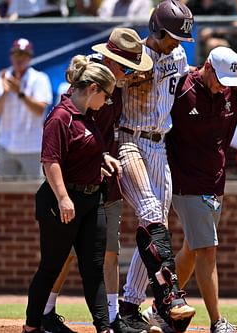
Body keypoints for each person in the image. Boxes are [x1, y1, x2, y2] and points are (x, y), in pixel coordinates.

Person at [41, 28, 154, 333]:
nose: (130, 73)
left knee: (110, 249)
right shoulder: (86, 82)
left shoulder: (120, 84)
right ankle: (45, 312)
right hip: (79, 175)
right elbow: (63, 136)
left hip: (106, 171)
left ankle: (114, 317)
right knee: (65, 252)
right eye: (127, 67)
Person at [162, 46, 237, 333]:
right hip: (186, 182)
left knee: (192, 251)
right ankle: (217, 322)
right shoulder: (181, 88)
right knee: (207, 250)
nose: (222, 87)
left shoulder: (230, 90)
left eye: (227, 82)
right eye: (219, 79)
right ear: (206, 67)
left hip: (215, 181)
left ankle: (161, 307)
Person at [22, 58, 120, 333]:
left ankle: (104, 327)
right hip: (63, 201)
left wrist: (103, 158)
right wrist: (64, 198)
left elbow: (85, 148)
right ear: (92, 88)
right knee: (51, 266)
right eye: (106, 95)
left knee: (93, 268)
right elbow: (50, 161)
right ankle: (31, 327)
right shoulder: (60, 117)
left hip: (92, 199)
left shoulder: (87, 115)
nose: (108, 101)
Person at [117, 1, 196, 332]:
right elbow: (104, 74)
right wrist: (128, 76)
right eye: (172, 36)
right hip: (130, 139)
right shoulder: (132, 54)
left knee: (157, 226)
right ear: (156, 30)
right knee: (150, 213)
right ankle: (168, 295)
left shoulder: (178, 57)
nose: (177, 42)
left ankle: (130, 305)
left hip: (159, 143)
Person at [0, 38, 53, 179]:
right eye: (17, 54)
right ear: (11, 56)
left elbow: (40, 110)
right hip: (6, 146)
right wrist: (5, 93)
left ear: (30, 57)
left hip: (32, 147)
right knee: (6, 194)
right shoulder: (0, 81)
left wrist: (20, 93)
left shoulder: (39, 79)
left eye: (23, 55)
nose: (19, 59)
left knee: (34, 192)